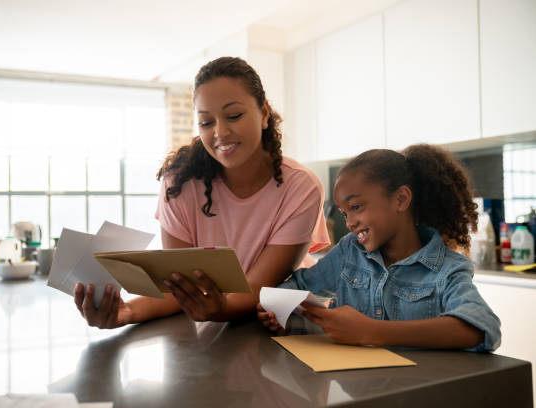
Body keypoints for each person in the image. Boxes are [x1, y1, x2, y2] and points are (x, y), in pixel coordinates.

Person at [74, 57, 330, 328]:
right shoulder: (180, 184)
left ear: (264, 113)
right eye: (206, 122)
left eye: (234, 116)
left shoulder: (301, 187)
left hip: (290, 322)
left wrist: (217, 309)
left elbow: (259, 287)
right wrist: (126, 313)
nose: (221, 132)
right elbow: (179, 288)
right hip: (219, 321)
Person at [258, 144, 501, 352]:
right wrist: (281, 313)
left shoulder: (446, 269)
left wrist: (371, 331)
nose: (349, 222)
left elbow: (482, 328)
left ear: (401, 199)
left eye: (356, 207)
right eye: (344, 213)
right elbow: (295, 288)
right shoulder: (350, 252)